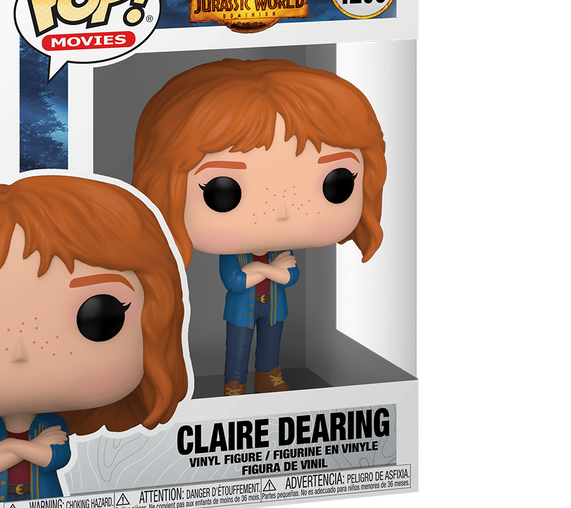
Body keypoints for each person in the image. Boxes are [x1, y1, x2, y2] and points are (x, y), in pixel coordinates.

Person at [132, 59, 386, 395]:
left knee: (270, 345)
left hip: (275, 308)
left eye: (336, 183)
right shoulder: (235, 251)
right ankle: (234, 384)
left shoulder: (280, 246)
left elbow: (290, 276)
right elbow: (235, 281)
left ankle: (269, 376)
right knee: (238, 347)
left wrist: (266, 271)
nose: (282, 212)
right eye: (222, 191)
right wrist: (270, 270)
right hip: (241, 311)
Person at [0, 174, 188, 501]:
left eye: (100, 316)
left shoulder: (51, 423)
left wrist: (12, 450)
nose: (20, 350)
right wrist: (22, 448)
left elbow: (55, 458)